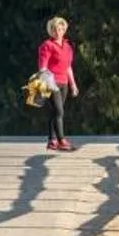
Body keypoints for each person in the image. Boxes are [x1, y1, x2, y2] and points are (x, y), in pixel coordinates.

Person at [37, 17, 79, 151]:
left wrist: (73, 85)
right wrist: (46, 82)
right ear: (51, 31)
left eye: (61, 29)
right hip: (51, 82)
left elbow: (68, 67)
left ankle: (52, 140)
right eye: (55, 29)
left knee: (54, 112)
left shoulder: (67, 47)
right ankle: (61, 140)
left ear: (64, 30)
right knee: (59, 111)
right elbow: (42, 67)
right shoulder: (47, 45)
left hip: (64, 82)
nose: (58, 32)